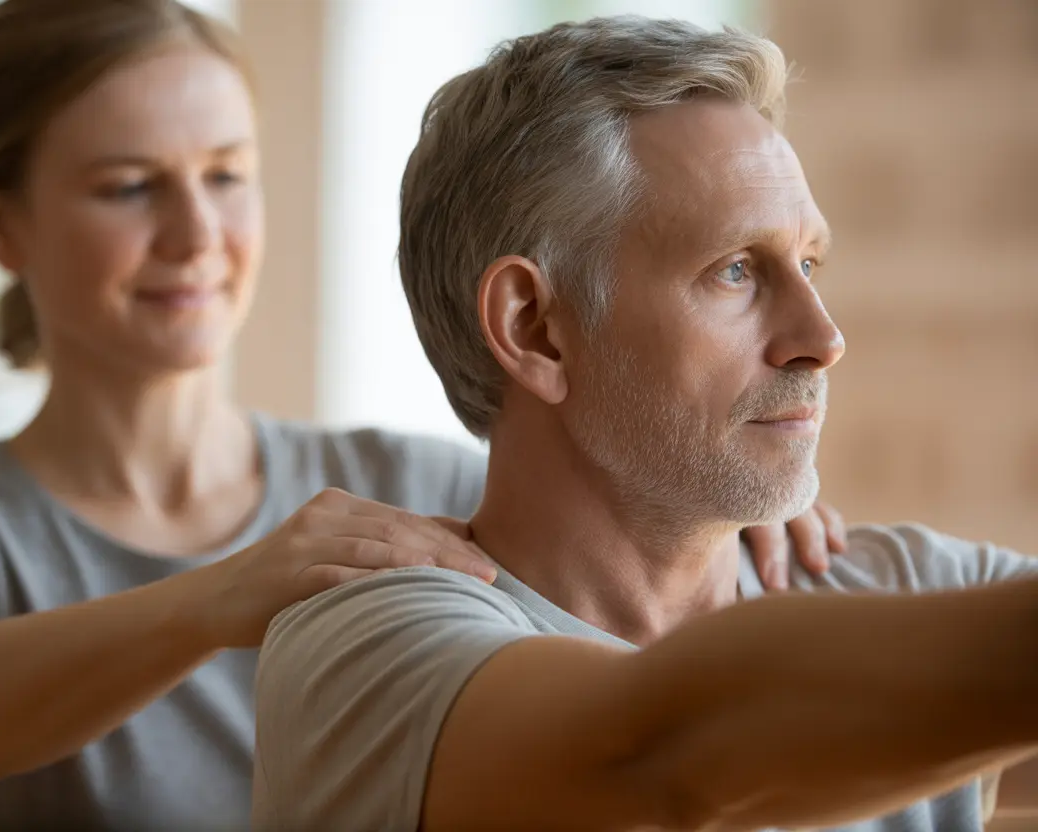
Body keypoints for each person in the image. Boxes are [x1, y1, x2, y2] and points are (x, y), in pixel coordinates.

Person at [0, 3, 840, 831]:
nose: (197, 233)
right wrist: (218, 597)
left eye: (226, 175)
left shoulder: (419, 490)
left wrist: (717, 501)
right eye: (131, 187)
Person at [251, 15, 1038, 832]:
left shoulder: (906, 589)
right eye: (736, 270)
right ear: (534, 329)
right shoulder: (364, 650)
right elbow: (671, 758)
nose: (824, 339)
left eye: (808, 265)